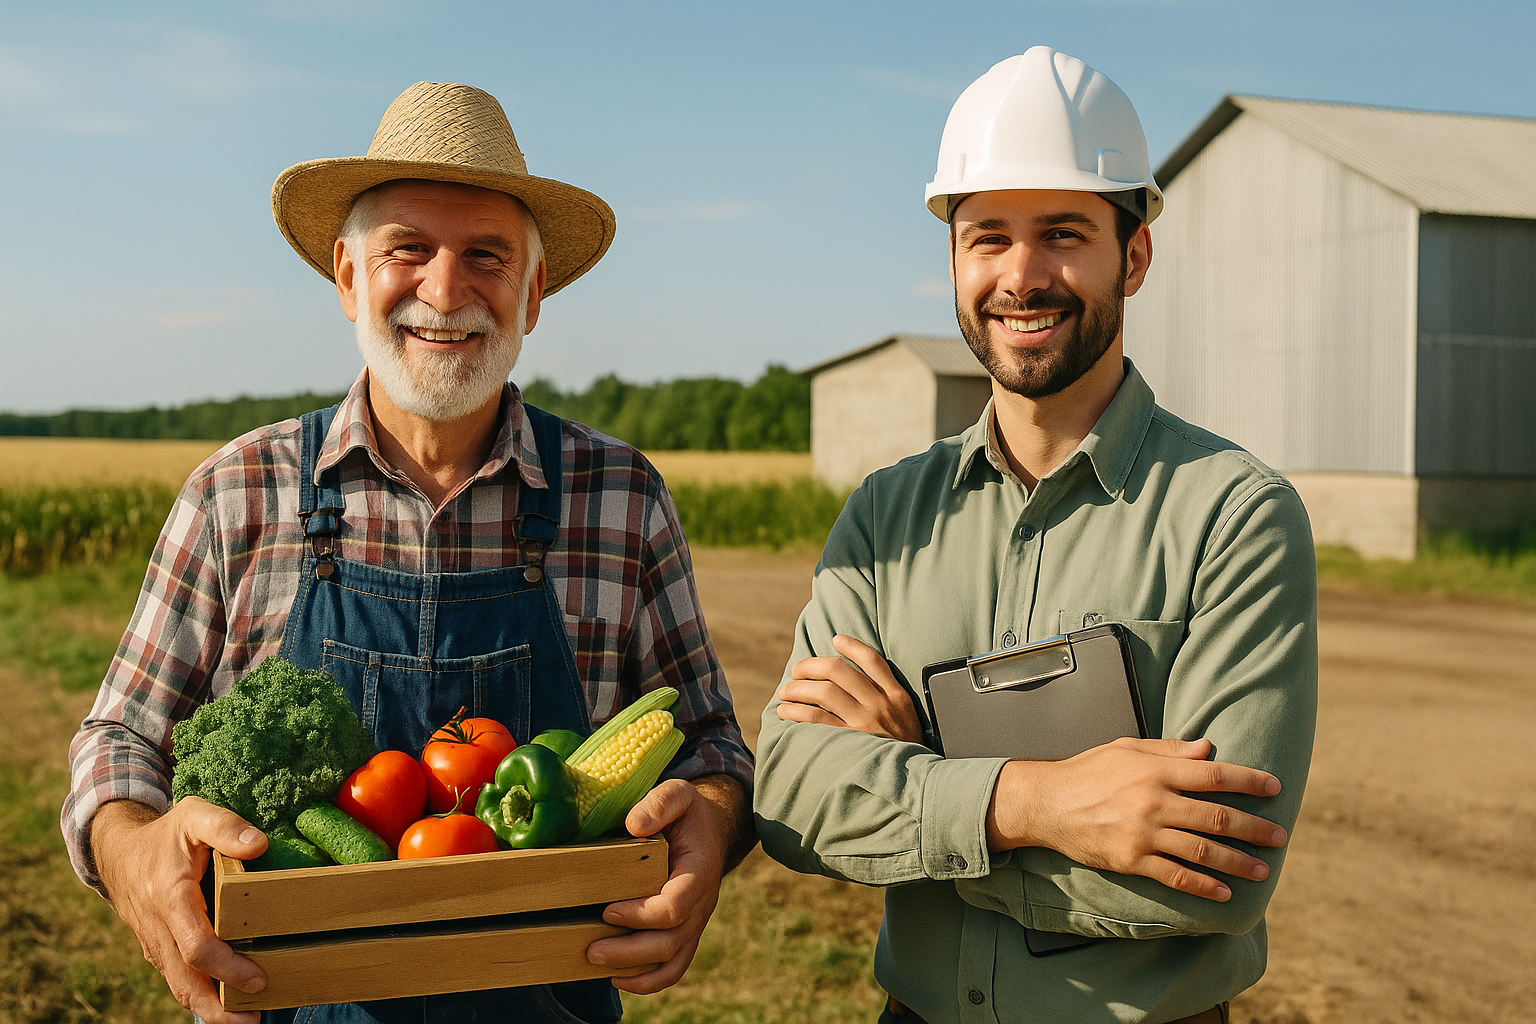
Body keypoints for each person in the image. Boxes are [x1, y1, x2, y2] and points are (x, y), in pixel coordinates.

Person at [61, 81, 755, 1024]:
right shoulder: (236, 493)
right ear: (348, 278)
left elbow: (711, 739)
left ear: (533, 292)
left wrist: (711, 825)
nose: (443, 289)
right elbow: (118, 741)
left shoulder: (621, 498)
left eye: (486, 256)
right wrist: (134, 853)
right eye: (407, 250)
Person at [753, 47, 1317, 1024]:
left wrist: (915, 786)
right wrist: (1035, 803)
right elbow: (794, 800)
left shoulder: (1237, 516)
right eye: (988, 238)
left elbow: (1208, 875)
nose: (1022, 276)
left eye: (1063, 233)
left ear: (1133, 256)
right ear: (954, 260)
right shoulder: (886, 517)